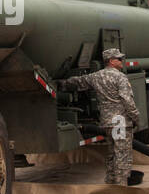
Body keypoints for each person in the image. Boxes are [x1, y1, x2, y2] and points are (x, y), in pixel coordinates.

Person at [58, 48, 140, 185]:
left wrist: (62, 84)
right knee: (122, 154)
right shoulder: (120, 77)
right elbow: (128, 102)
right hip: (121, 122)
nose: (121, 61)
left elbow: (79, 82)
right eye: (119, 59)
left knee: (111, 153)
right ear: (111, 61)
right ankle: (121, 186)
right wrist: (136, 118)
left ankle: (110, 182)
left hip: (107, 122)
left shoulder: (96, 76)